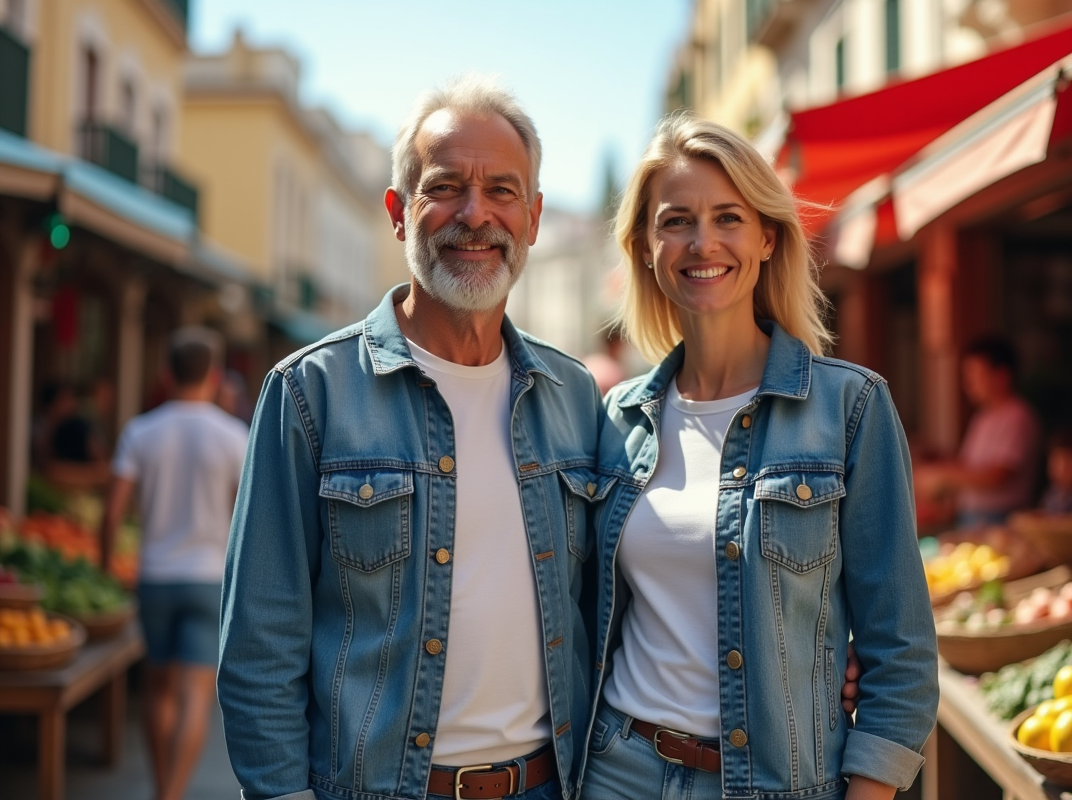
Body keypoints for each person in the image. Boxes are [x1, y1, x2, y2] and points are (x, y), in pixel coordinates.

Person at [218, 77, 859, 800]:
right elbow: (257, 648)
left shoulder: (575, 398)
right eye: (446, 187)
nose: (474, 214)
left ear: (532, 218)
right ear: (399, 213)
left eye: (502, 191)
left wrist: (818, 659)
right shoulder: (311, 391)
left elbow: (633, 589)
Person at [582, 115, 938, 800]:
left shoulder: (849, 409)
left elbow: (903, 653)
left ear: (768, 237)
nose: (702, 242)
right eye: (676, 221)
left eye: (727, 218)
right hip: (620, 772)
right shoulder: (614, 419)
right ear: (646, 246)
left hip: (782, 782)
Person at [100, 327, 249, 800]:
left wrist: (106, 570)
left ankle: (161, 789)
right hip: (209, 579)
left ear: (165, 374)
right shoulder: (233, 436)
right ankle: (174, 795)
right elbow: (244, 515)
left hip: (155, 577)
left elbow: (111, 511)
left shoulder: (140, 431)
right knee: (195, 696)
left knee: (158, 690)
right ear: (216, 375)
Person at [915, 337, 1041, 528]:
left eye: (975, 374)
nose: (968, 383)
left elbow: (997, 475)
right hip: (972, 518)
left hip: (1001, 520)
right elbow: (970, 466)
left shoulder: (1017, 416)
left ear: (1001, 376)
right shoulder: (982, 417)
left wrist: (942, 476)